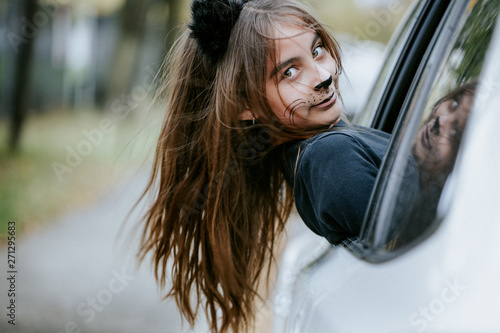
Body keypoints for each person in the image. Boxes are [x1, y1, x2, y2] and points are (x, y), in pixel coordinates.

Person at [137, 0, 389, 332]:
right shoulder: (331, 158)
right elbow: (412, 260)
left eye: (317, 51)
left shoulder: (325, 148)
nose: (324, 76)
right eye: (290, 71)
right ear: (245, 105)